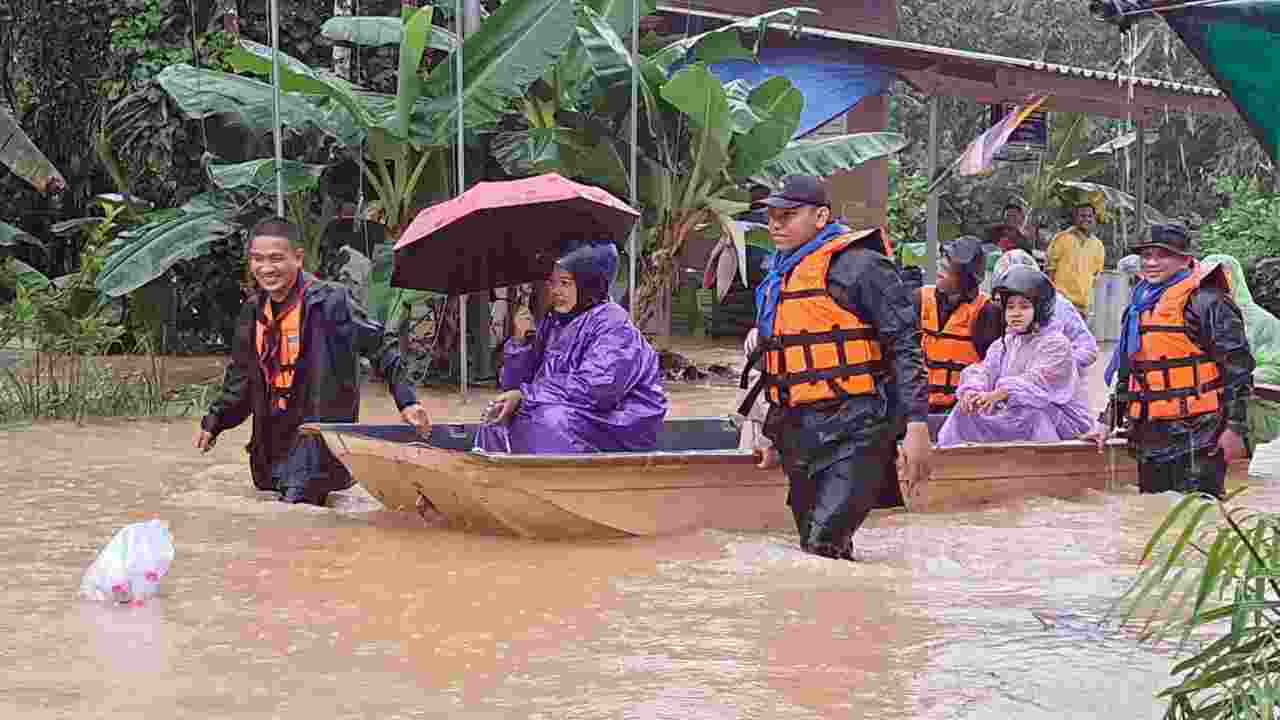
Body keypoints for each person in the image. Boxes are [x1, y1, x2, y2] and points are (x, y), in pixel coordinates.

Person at [738, 174, 931, 560]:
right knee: (816, 545)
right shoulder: (779, 276)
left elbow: (905, 346)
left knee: (821, 547)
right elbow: (776, 364)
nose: (775, 223)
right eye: (772, 215)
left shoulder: (861, 266)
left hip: (858, 428)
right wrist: (767, 431)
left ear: (821, 216)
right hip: (798, 432)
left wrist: (916, 426)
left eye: (788, 215)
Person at [195, 218, 431, 505]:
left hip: (314, 436)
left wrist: (407, 401)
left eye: (276, 259)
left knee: (298, 512)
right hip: (270, 440)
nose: (266, 269)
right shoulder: (253, 311)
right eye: (257, 259)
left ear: (298, 258)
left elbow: (379, 345)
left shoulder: (331, 302)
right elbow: (241, 379)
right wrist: (215, 421)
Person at [1086, 224, 1254, 498]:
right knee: (1152, 517)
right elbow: (1131, 372)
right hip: (1150, 434)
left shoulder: (1208, 302)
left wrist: (1235, 428)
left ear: (1185, 259)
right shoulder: (1138, 307)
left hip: (1201, 432)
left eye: (1162, 255)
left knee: (1198, 516)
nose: (1151, 263)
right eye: (1146, 255)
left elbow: (1238, 370)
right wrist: (1107, 420)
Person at [474, 238, 668, 453]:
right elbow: (514, 387)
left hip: (617, 424)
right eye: (552, 282)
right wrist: (520, 343)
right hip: (569, 413)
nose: (556, 290)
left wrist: (526, 396)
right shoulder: (555, 322)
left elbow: (597, 389)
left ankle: (555, 483)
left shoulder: (613, 324)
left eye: (565, 283)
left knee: (550, 420)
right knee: (496, 417)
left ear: (589, 284)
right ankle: (496, 481)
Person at [938, 266, 1093, 446]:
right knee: (964, 411)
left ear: (1041, 309)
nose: (1016, 313)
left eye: (1024, 306)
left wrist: (1001, 393)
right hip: (1016, 411)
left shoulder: (1056, 344)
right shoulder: (1005, 343)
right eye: (1010, 307)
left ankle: (1041, 469)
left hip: (1065, 425)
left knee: (1030, 413)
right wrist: (973, 391)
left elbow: (1037, 384)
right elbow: (985, 370)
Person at [913, 235, 1004, 413]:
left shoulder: (987, 312)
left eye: (948, 268)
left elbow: (994, 366)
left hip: (962, 410)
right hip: (919, 405)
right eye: (943, 262)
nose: (941, 268)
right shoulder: (919, 299)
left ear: (966, 280)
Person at [1200, 254, 1280, 446]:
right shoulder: (1196, 319)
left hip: (1255, 410)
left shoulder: (1263, 322)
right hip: (1205, 412)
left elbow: (1275, 364)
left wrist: (1246, 377)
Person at [992, 249, 1099, 369]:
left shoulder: (1059, 306)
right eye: (1010, 304)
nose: (1015, 311)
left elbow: (1088, 348)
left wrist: (1057, 364)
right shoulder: (1002, 316)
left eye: (1024, 304)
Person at [1046, 203, 1106, 316]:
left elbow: (1095, 276)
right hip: (1060, 303)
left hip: (1083, 307)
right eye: (1082, 216)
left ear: (1094, 219)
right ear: (1075, 218)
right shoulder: (1061, 239)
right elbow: (1050, 271)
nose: (1086, 219)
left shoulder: (1098, 245)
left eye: (1089, 216)